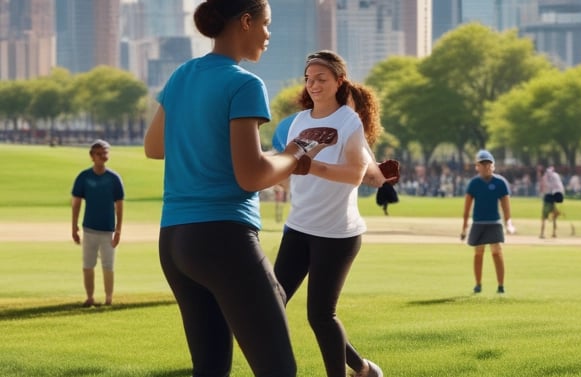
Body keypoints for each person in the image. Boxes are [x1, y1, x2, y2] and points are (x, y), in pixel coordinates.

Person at [143, 1, 334, 375]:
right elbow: (253, 175)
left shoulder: (182, 74)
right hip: (223, 239)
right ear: (246, 22)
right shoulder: (245, 83)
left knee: (210, 369)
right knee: (279, 369)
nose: (268, 34)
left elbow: (155, 146)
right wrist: (295, 153)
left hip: (175, 243)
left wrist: (202, 135)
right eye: (266, 24)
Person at [272, 50, 388, 377]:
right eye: (309, 79)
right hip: (298, 227)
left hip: (337, 234)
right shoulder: (300, 121)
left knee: (321, 315)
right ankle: (365, 370)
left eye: (321, 79)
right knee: (272, 304)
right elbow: (289, 169)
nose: (313, 85)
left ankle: (355, 372)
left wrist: (313, 166)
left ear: (339, 81)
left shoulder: (349, 121)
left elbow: (355, 174)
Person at [70, 139, 125, 307]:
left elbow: (119, 206)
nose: (103, 156)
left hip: (107, 230)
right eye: (99, 154)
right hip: (89, 229)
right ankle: (90, 297)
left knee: (108, 265)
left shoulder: (114, 179)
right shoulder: (84, 177)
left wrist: (118, 230)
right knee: (88, 264)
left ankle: (108, 298)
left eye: (105, 153)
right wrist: (74, 226)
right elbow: (76, 203)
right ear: (92, 156)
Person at [461, 150, 513, 295]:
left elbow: (505, 205)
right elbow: (467, 207)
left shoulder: (500, 182)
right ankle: (478, 284)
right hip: (478, 222)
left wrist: (508, 222)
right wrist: (464, 227)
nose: (486, 167)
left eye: (488, 164)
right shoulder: (474, 183)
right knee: (478, 253)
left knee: (496, 252)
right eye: (482, 164)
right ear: (477, 166)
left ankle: (501, 285)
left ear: (493, 166)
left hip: (494, 222)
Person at [539, 166, 564, 238]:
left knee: (543, 217)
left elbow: (543, 188)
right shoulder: (555, 176)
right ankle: (554, 233)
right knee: (554, 216)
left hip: (547, 197)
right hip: (554, 197)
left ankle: (542, 233)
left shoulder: (545, 177)